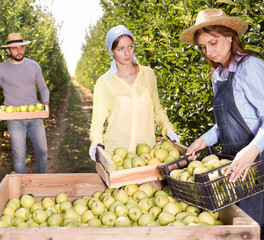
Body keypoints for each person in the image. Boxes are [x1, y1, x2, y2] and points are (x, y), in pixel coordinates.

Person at [181, 9, 264, 237]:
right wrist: (203, 140)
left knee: (255, 227)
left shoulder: (250, 68)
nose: (209, 51)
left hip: (258, 168)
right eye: (203, 47)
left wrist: (253, 149)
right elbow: (228, 122)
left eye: (213, 42)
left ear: (230, 36)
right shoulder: (220, 75)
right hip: (234, 170)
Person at [89, 25, 180, 160]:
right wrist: (95, 141)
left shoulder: (148, 75)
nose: (127, 53)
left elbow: (157, 110)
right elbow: (97, 121)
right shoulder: (103, 83)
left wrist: (168, 129)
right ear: (111, 51)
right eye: (120, 49)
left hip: (147, 154)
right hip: (116, 155)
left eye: (130, 46)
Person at [0, 33, 49, 174]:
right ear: (8, 51)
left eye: (21, 47)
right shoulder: (0, 69)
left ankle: (43, 181)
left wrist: (46, 101)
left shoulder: (34, 66)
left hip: (35, 114)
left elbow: (43, 88)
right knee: (20, 156)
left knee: (43, 151)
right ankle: (21, 190)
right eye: (15, 48)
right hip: (14, 118)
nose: (19, 51)